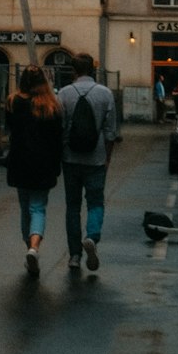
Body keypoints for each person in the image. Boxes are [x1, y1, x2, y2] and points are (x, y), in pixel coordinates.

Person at [58, 53, 118, 271]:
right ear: (92, 70)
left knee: (72, 206)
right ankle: (91, 236)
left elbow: (60, 128)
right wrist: (107, 157)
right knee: (95, 202)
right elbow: (111, 132)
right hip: (96, 158)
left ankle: (74, 255)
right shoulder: (105, 94)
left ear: (73, 71)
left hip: (70, 158)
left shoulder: (64, 94)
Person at [5, 65, 63, 278]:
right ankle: (34, 247)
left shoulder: (13, 102)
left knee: (24, 207)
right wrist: (57, 166)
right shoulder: (51, 106)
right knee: (38, 208)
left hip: (20, 161)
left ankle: (28, 246)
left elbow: (10, 130)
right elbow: (57, 139)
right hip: (43, 163)